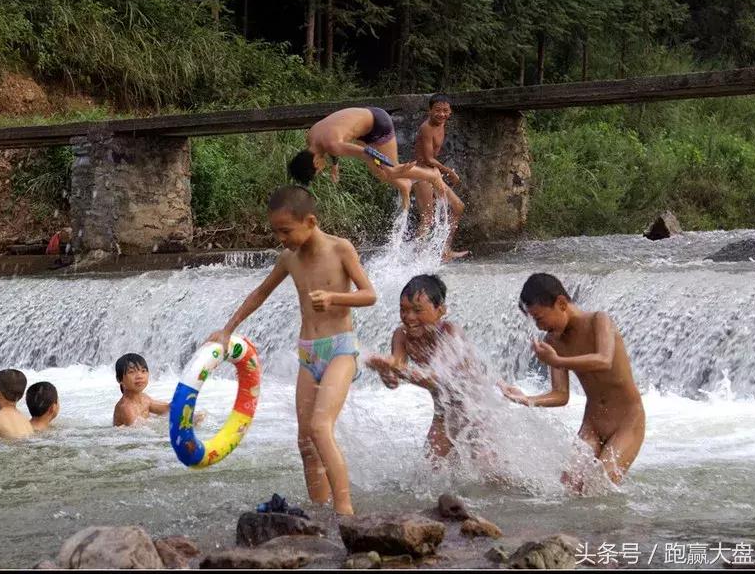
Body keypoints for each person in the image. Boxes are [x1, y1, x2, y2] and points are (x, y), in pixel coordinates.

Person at [208, 185, 377, 516]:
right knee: (305, 442)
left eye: (286, 230)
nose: (281, 238)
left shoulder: (340, 249)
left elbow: (369, 295)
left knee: (319, 427)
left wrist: (335, 298)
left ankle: (346, 514)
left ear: (310, 221)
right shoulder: (289, 259)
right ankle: (318, 511)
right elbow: (260, 293)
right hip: (308, 353)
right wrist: (227, 330)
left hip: (341, 349)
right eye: (276, 231)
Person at [500, 273, 645, 491]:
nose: (539, 327)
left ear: (561, 303)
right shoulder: (553, 341)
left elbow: (604, 360)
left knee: (598, 489)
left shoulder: (598, 320)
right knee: (570, 487)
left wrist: (557, 360)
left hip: (627, 422)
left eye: (539, 318)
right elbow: (560, 395)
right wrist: (525, 399)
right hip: (592, 424)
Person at [366, 274, 483, 461]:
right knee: (433, 473)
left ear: (441, 310)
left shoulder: (450, 333)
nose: (409, 317)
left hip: (477, 414)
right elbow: (394, 381)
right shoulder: (401, 335)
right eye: (403, 310)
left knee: (490, 477)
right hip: (443, 414)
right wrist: (383, 371)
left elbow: (437, 379)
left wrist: (394, 367)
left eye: (417, 310)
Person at [287, 106, 447, 211]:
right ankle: (404, 185)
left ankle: (432, 175)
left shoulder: (332, 145)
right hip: (363, 124)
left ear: (315, 162)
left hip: (379, 124)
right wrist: (335, 165)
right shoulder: (312, 138)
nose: (322, 170)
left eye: (318, 171)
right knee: (382, 174)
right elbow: (330, 144)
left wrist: (390, 166)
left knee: (391, 171)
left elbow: (367, 152)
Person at [412, 94, 468, 261]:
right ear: (430, 110)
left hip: (432, 173)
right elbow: (428, 159)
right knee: (427, 218)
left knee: (458, 207)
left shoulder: (441, 124)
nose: (442, 114)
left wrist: (441, 172)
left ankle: (445, 250)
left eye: (445, 111)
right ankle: (417, 259)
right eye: (437, 110)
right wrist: (449, 172)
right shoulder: (426, 128)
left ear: (450, 112)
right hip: (421, 173)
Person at [113, 353, 171, 427]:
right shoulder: (126, 408)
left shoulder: (144, 398)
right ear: (119, 379)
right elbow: (137, 433)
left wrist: (180, 403)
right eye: (131, 372)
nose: (139, 376)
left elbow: (165, 409)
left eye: (143, 371)